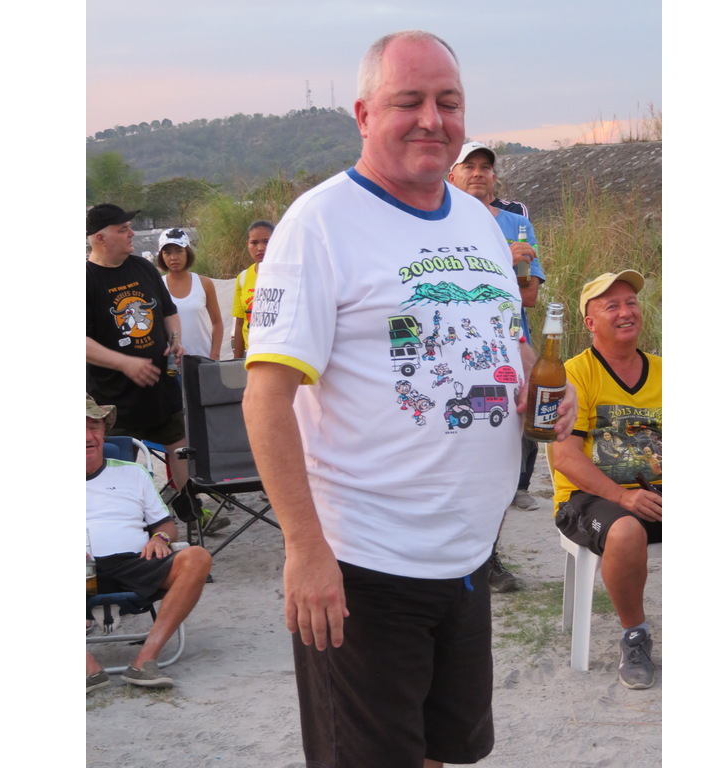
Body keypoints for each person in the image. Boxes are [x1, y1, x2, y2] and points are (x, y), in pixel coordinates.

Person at [241, 30, 577, 767]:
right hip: (364, 564)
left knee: (440, 750)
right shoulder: (319, 225)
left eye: (448, 102)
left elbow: (504, 338)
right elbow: (265, 400)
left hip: (465, 556)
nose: (433, 118)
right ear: (364, 114)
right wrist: (304, 549)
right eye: (409, 101)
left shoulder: (478, 221)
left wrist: (537, 382)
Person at [550, 269, 661, 690]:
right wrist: (623, 497)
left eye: (631, 302)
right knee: (626, 531)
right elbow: (564, 457)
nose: (625, 312)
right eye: (612, 306)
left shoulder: (664, 371)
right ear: (590, 322)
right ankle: (635, 636)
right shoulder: (573, 375)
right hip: (587, 499)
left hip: (655, 492)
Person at [447, 140, 546, 593]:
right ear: (451, 175)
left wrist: (507, 266)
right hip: (457, 353)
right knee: (456, 453)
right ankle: (455, 556)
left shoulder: (516, 223)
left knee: (502, 453)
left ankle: (487, 555)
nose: (478, 173)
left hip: (509, 347)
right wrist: (503, 259)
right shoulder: (436, 220)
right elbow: (455, 287)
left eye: (485, 166)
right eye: (468, 165)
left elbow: (528, 296)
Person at [85, 394, 212, 691]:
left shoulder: (132, 473)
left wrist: (160, 537)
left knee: (197, 558)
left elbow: (166, 525)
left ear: (104, 431)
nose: (87, 437)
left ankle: (145, 661)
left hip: (133, 563)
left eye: (94, 426)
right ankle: (87, 668)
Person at [85, 203, 189, 493]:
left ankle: (190, 506)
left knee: (180, 447)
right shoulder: (86, 279)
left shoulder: (142, 267)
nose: (131, 233)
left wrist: (175, 342)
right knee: (118, 462)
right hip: (114, 398)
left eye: (129, 227)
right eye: (123, 229)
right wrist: (125, 363)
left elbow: (168, 311)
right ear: (100, 238)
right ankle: (127, 513)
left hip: (161, 387)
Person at [157, 227, 225, 360]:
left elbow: (217, 322)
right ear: (161, 256)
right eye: (167, 253)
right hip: (171, 361)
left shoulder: (204, 283)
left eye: (179, 251)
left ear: (187, 252)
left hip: (203, 358)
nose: (173, 257)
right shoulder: (157, 285)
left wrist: (214, 355)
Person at [231, 220, 274, 359]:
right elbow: (239, 323)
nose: (260, 248)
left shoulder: (288, 275)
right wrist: (237, 362)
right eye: (254, 243)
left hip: (280, 356)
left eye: (266, 241)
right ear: (247, 244)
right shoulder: (243, 278)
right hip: (253, 357)